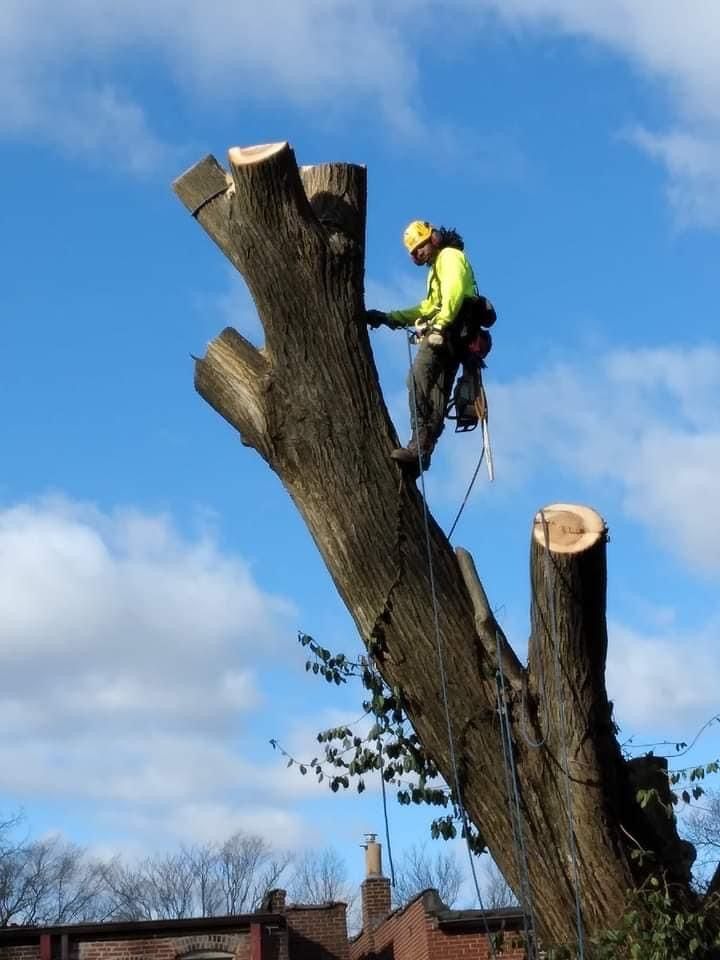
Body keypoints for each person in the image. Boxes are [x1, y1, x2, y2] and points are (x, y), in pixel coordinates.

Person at [366, 220, 493, 473]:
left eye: (420, 246)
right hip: (455, 336)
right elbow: (428, 307)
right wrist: (391, 318)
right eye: (413, 251)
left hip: (449, 332)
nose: (417, 253)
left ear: (431, 238)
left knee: (416, 378)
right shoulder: (436, 269)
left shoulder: (449, 256)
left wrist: (439, 326)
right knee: (435, 396)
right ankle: (423, 452)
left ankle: (419, 442)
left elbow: (454, 293)